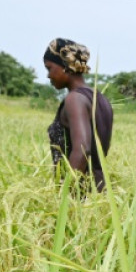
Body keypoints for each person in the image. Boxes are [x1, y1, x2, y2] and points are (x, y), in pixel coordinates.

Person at [44, 38, 114, 192]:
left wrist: (66, 196)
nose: (48, 75)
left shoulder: (75, 99)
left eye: (49, 68)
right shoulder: (100, 98)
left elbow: (82, 150)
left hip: (80, 195)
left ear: (64, 66)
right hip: (100, 190)